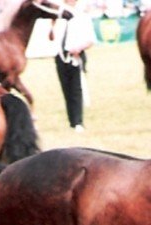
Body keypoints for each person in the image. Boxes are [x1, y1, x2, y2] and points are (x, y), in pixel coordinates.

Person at [50, 0, 96, 132]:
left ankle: (78, 121)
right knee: (66, 88)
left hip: (75, 54)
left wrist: (79, 48)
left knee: (76, 88)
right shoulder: (59, 15)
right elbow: (52, 37)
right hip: (60, 55)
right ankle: (71, 120)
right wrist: (52, 26)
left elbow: (91, 39)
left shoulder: (82, 15)